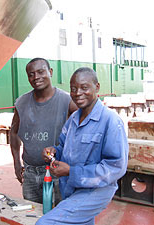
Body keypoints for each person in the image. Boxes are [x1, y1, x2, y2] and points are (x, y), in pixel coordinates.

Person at [37, 67, 128, 225]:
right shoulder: (73, 119)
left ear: (97, 87)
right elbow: (63, 148)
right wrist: (53, 152)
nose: (78, 93)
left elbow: (116, 167)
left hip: (95, 190)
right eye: (73, 89)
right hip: (71, 187)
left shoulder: (110, 121)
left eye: (84, 87)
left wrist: (71, 171)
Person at [10, 57, 77, 204]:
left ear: (50, 72)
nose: (36, 77)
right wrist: (16, 163)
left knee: (60, 216)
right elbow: (14, 132)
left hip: (56, 172)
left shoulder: (66, 101)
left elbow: (86, 127)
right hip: (29, 173)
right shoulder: (21, 103)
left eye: (41, 72)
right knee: (34, 215)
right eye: (31, 74)